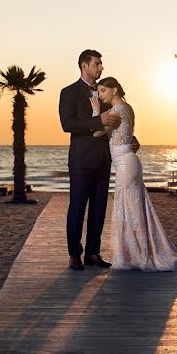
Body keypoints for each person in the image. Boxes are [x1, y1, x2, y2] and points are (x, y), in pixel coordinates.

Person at [96, 77, 177, 272]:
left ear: (114, 90)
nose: (100, 95)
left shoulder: (116, 110)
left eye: (103, 90)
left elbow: (97, 133)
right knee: (132, 208)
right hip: (129, 162)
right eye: (99, 91)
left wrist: (95, 112)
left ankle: (140, 255)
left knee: (130, 209)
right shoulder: (127, 107)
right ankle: (137, 253)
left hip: (125, 164)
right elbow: (127, 135)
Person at [58, 49, 120, 270]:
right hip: (81, 160)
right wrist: (97, 121)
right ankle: (74, 254)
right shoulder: (69, 92)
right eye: (97, 64)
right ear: (85, 66)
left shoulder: (104, 93)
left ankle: (93, 253)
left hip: (103, 159)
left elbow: (116, 119)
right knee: (77, 207)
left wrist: (131, 138)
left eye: (101, 64)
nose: (101, 68)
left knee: (99, 207)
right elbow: (68, 124)